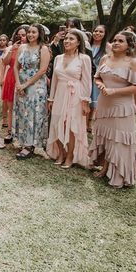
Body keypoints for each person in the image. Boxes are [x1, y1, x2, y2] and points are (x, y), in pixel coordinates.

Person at [90, 31, 136, 188]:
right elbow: (97, 76)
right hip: (104, 104)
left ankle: (119, 174)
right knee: (107, 137)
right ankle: (105, 168)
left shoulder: (134, 62)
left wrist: (114, 91)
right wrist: (100, 84)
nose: (115, 43)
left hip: (121, 107)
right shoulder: (105, 58)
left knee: (119, 139)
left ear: (129, 45)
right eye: (114, 40)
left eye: (120, 41)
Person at [47, 29, 92, 169]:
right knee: (56, 122)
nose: (67, 41)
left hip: (75, 95)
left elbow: (86, 81)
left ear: (78, 42)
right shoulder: (58, 58)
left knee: (71, 125)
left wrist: (85, 101)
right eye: (66, 38)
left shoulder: (84, 58)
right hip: (60, 93)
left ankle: (70, 155)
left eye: (71, 39)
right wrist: (51, 99)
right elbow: (54, 79)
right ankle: (61, 153)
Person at [13, 24, 51, 159]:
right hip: (21, 84)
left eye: (33, 32)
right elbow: (16, 67)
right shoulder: (22, 47)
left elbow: (42, 70)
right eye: (29, 32)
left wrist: (26, 85)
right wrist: (18, 84)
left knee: (33, 113)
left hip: (36, 86)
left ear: (39, 33)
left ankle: (30, 145)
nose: (30, 34)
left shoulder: (43, 48)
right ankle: (23, 140)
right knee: (22, 112)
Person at [1, 25, 28, 143]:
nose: (21, 37)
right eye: (19, 35)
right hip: (11, 77)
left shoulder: (31, 48)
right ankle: (10, 132)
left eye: (24, 35)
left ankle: (23, 133)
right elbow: (5, 62)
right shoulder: (12, 47)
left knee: (24, 108)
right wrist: (12, 49)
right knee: (11, 107)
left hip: (26, 78)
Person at [89, 25, 112, 131]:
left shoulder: (108, 47)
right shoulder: (88, 45)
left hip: (100, 77)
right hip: (87, 75)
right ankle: (87, 123)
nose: (97, 33)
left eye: (101, 32)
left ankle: (96, 124)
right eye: (95, 31)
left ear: (105, 34)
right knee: (87, 101)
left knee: (97, 102)